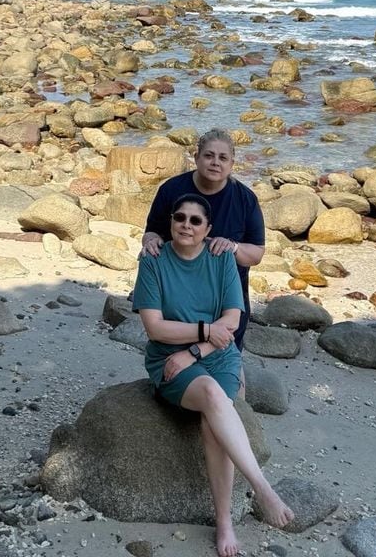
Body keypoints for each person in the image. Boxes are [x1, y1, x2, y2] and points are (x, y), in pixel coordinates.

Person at [133, 193, 294, 557]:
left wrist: (197, 349)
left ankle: (224, 522)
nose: (186, 225)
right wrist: (205, 334)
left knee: (212, 423)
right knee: (210, 394)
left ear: (207, 229)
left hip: (215, 356)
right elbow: (155, 328)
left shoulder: (220, 258)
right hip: (168, 360)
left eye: (195, 221)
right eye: (180, 218)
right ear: (171, 221)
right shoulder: (154, 261)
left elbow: (232, 320)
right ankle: (263, 488)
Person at [141, 128, 264, 349]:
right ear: (196, 157)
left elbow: (256, 254)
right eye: (209, 155)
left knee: (225, 362)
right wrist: (150, 243)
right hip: (178, 299)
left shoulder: (245, 199)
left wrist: (233, 247)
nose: (216, 162)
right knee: (177, 363)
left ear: (232, 163)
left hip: (226, 300)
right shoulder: (171, 190)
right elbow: (152, 232)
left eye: (223, 157)